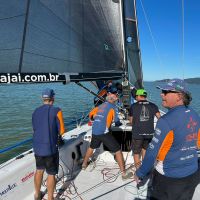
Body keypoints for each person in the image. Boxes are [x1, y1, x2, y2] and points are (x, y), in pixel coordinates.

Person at [134, 79, 200, 200]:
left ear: (179, 96)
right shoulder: (195, 114)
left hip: (168, 178)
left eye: (165, 91)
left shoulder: (165, 121)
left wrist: (140, 172)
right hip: (193, 173)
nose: (161, 94)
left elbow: (152, 152)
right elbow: (198, 143)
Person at [82, 91, 133, 180]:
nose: (117, 99)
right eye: (116, 98)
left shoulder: (100, 106)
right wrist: (117, 123)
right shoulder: (113, 107)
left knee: (92, 147)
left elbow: (91, 115)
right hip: (104, 132)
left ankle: (84, 164)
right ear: (112, 100)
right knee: (118, 150)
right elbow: (117, 122)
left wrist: (97, 118)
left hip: (95, 130)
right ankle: (124, 174)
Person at [32, 88, 65, 200]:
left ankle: (37, 195)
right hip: (50, 148)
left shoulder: (35, 111)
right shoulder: (57, 110)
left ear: (43, 98)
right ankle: (50, 198)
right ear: (53, 98)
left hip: (37, 147)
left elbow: (35, 128)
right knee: (51, 174)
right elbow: (62, 131)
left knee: (39, 170)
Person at [129, 89, 161, 169]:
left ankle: (138, 171)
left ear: (139, 96)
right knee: (145, 150)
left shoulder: (133, 106)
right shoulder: (153, 105)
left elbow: (131, 121)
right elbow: (160, 118)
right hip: (149, 134)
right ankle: (145, 169)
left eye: (136, 96)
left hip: (137, 134)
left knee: (136, 153)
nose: (136, 97)